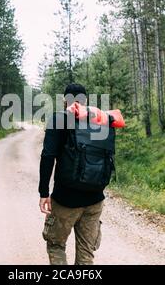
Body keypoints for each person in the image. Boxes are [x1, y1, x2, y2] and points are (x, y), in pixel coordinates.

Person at [38, 84, 120, 265]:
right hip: (95, 199)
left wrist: (44, 192)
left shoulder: (59, 119)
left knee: (56, 245)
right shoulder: (101, 121)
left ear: (63, 100)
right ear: (86, 101)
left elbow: (48, 156)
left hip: (66, 199)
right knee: (86, 251)